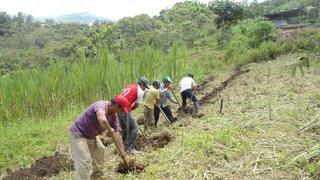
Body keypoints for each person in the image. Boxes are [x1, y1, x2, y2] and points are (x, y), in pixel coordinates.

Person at [69, 96, 130, 180]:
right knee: (84, 161)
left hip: (91, 135)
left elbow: (116, 133)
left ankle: (97, 176)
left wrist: (121, 150)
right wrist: (109, 129)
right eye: (121, 110)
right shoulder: (101, 105)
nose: (121, 112)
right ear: (115, 106)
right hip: (79, 133)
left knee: (100, 150)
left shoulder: (113, 116)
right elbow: (102, 119)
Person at [118, 77, 149, 155]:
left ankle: (125, 146)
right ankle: (130, 148)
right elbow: (136, 106)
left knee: (124, 128)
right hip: (125, 110)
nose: (145, 88)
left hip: (118, 109)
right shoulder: (140, 91)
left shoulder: (129, 86)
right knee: (135, 128)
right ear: (142, 84)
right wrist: (129, 110)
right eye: (145, 86)